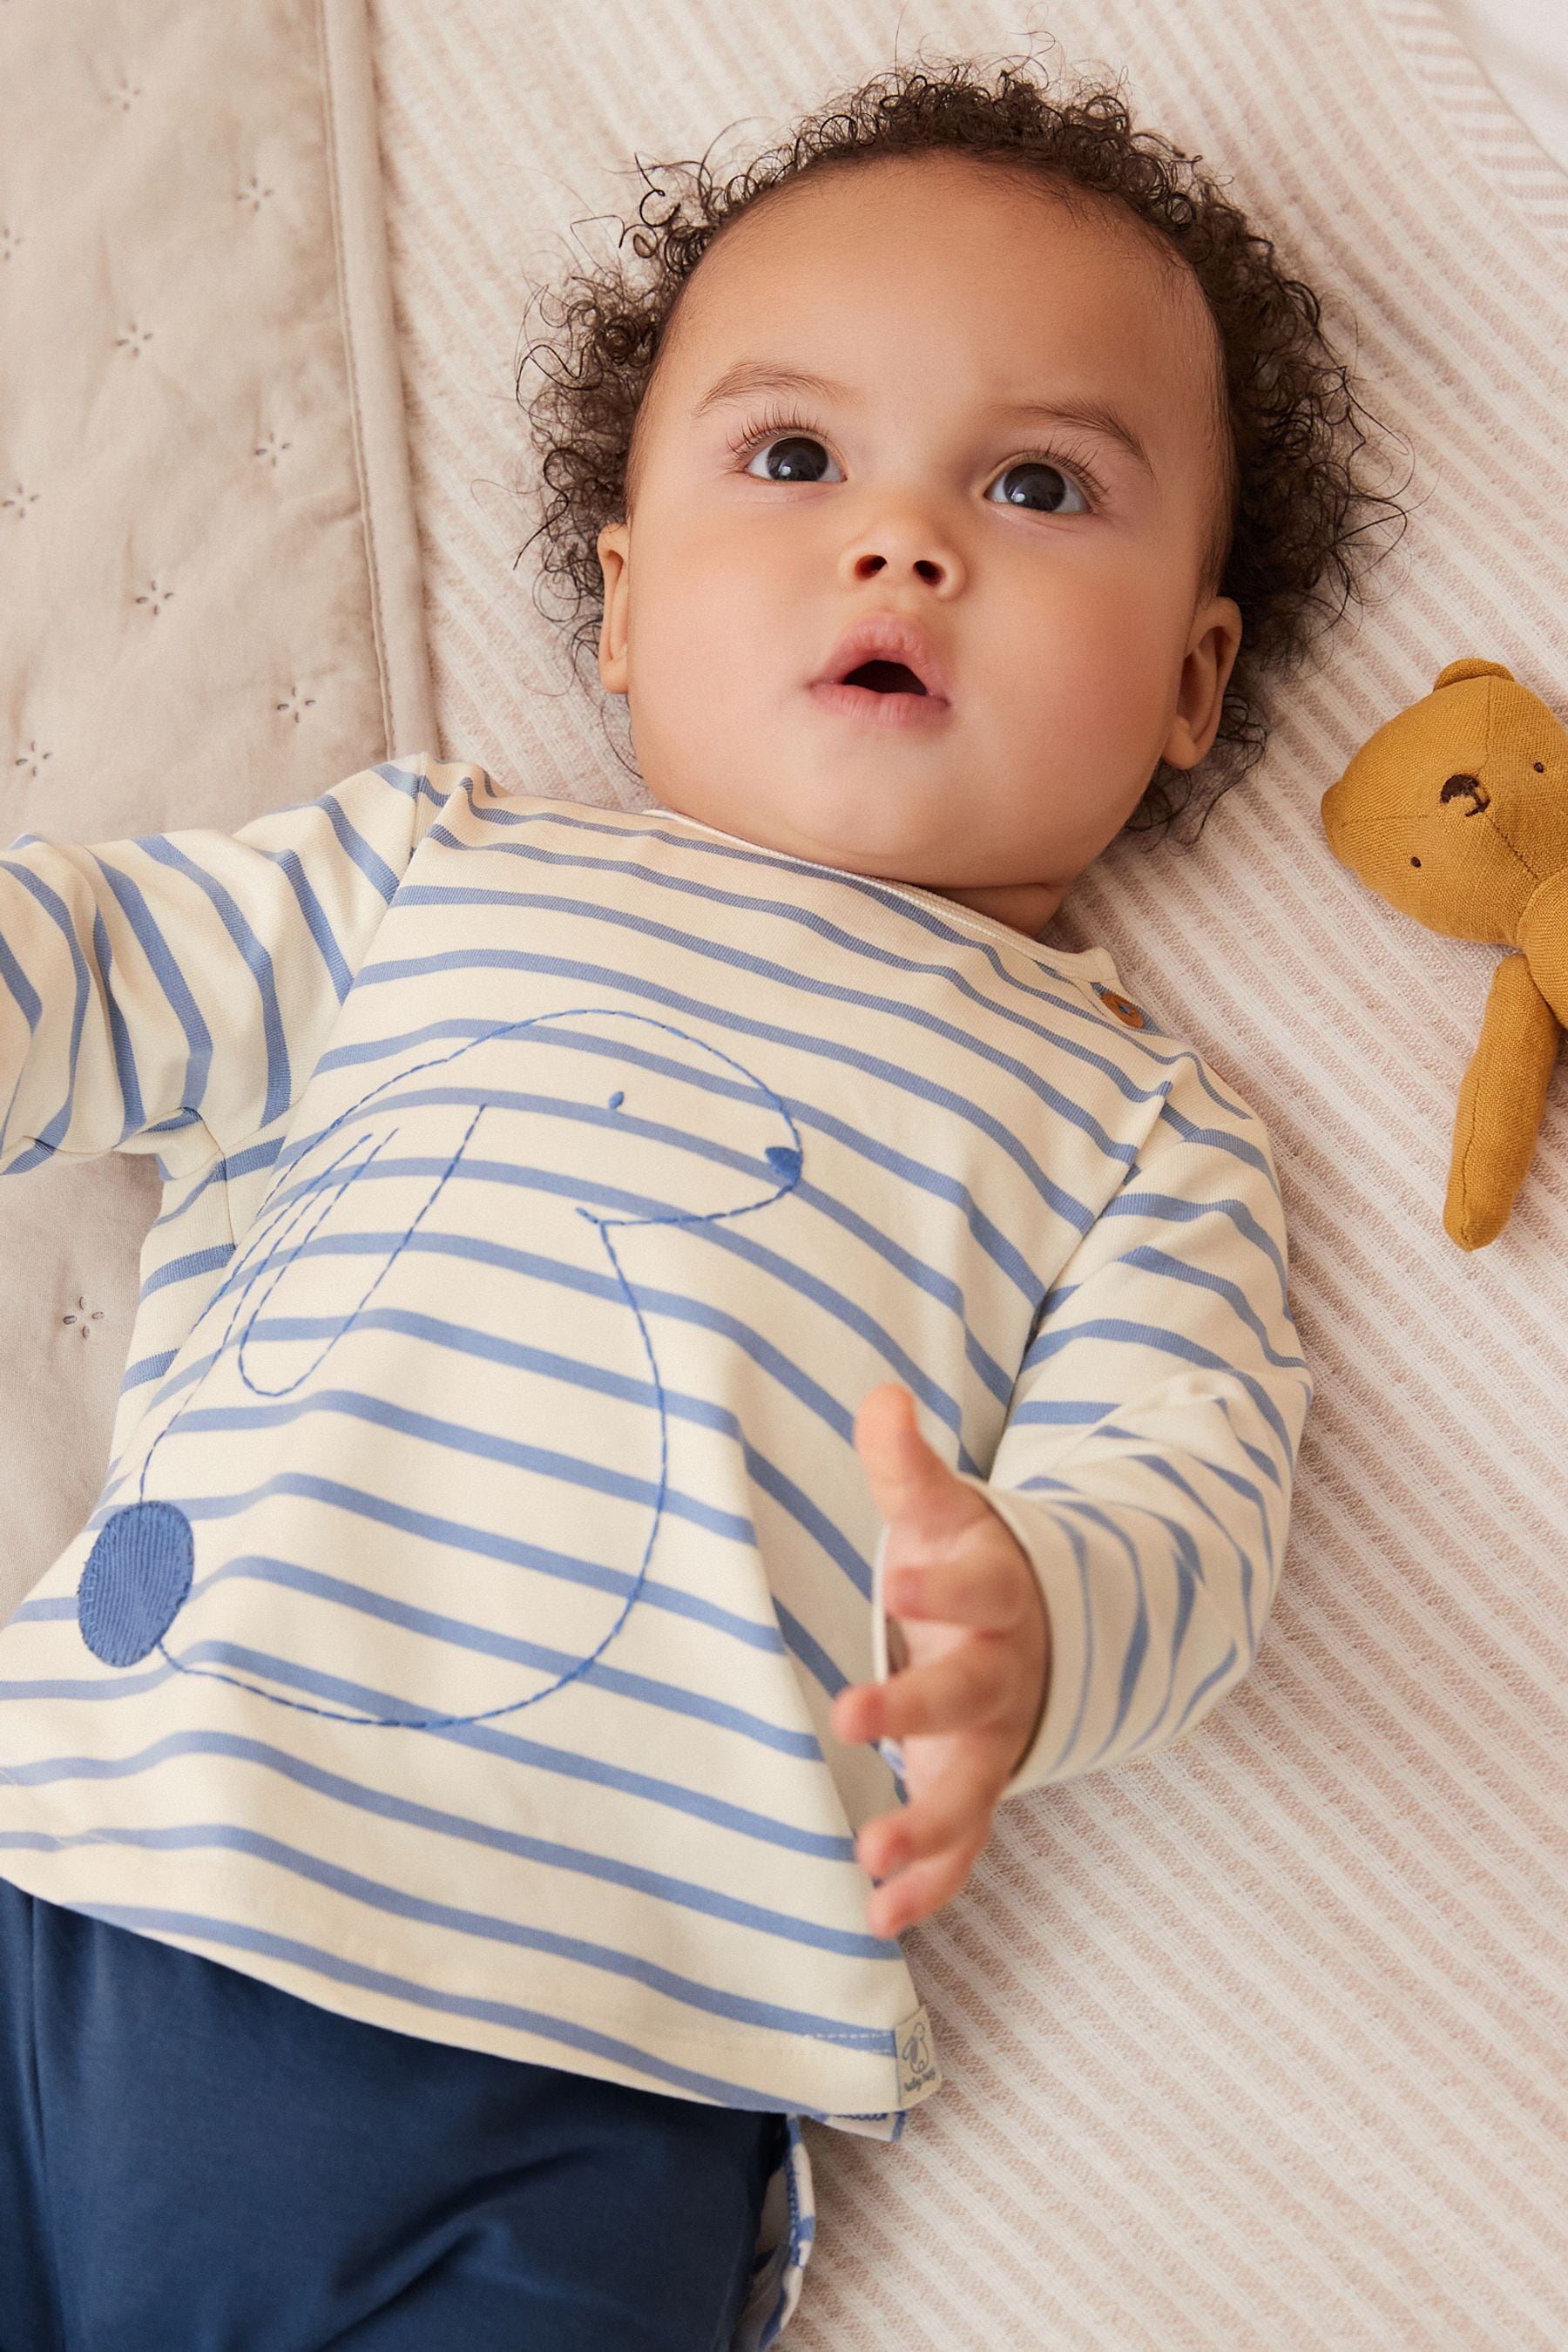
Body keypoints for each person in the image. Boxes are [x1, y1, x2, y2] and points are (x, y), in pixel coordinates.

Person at [0, 50, 1402, 2352]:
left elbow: (1197, 1499)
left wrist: (1035, 1613)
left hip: (591, 2092)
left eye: (1040, 483)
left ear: (1193, 674)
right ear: (629, 600)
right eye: (794, 457)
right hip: (92, 1885)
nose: (903, 539)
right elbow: (94, 972)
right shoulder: (420, 865)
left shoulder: (1138, 1126)